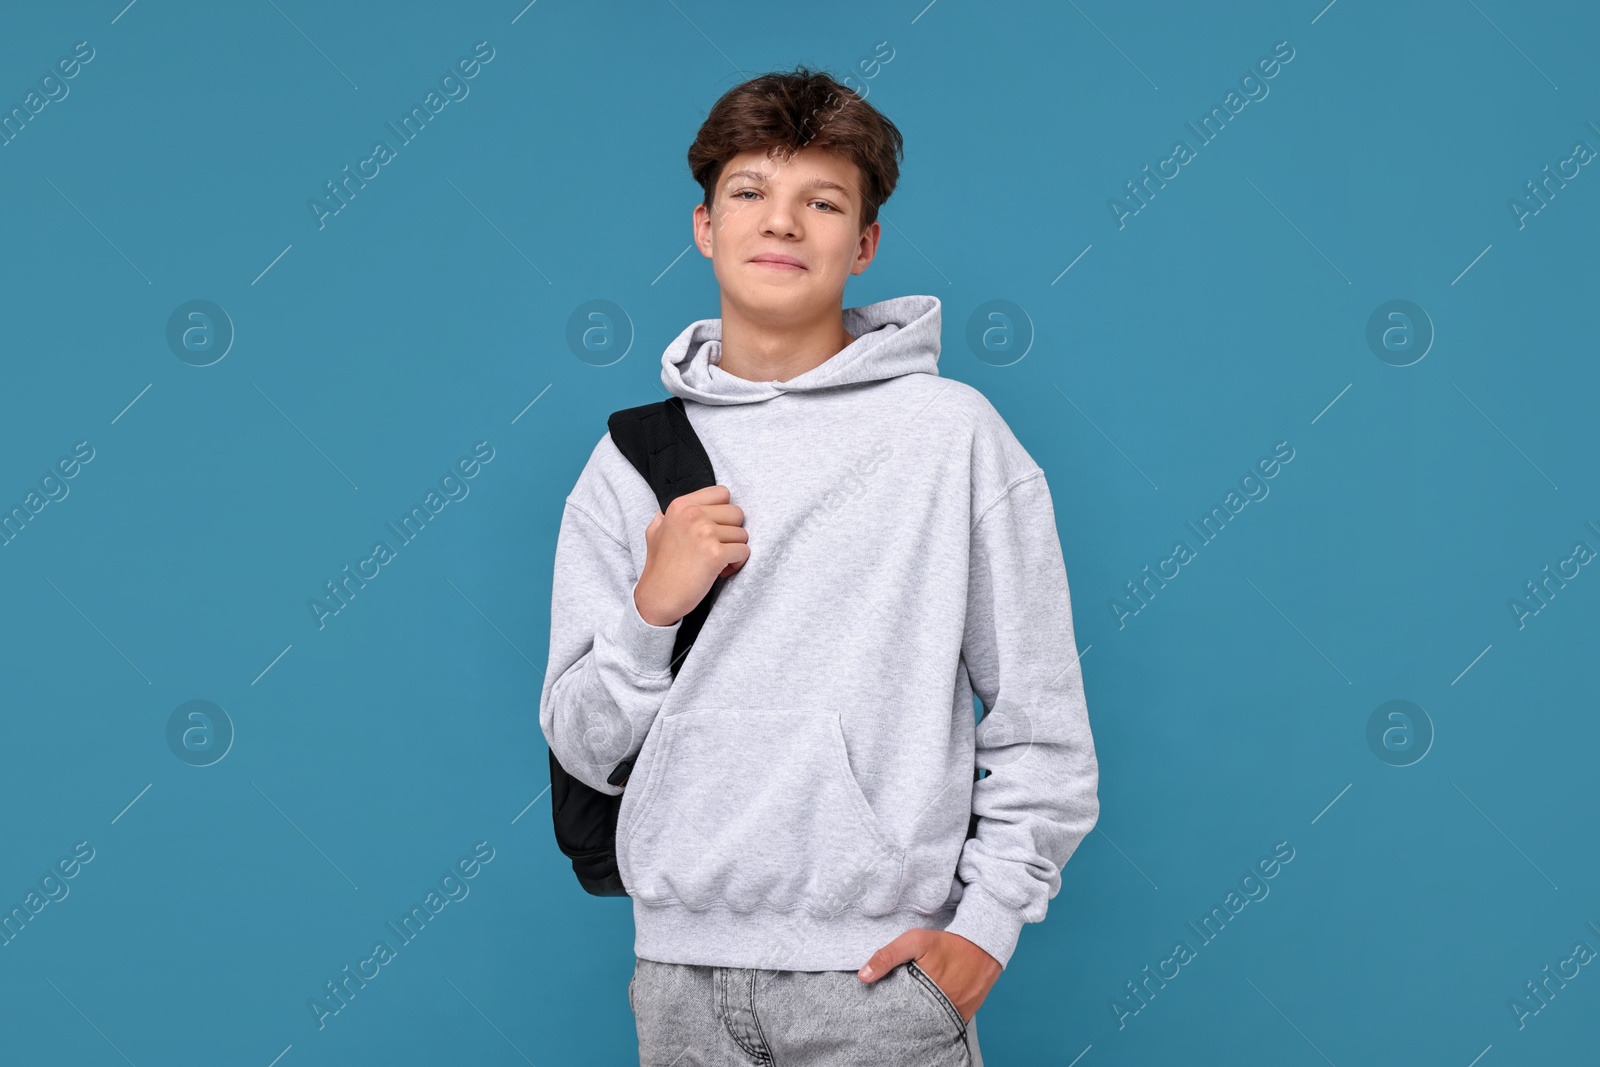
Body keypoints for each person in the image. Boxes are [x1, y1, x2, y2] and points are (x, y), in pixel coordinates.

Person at [538, 65, 1099, 1066]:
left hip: (879, 984)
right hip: (677, 986)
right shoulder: (633, 462)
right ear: (705, 226)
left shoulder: (952, 437)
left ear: (865, 241)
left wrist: (984, 932)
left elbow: (1041, 730)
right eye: (750, 192)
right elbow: (583, 745)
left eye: (822, 201)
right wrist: (649, 611)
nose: (782, 222)